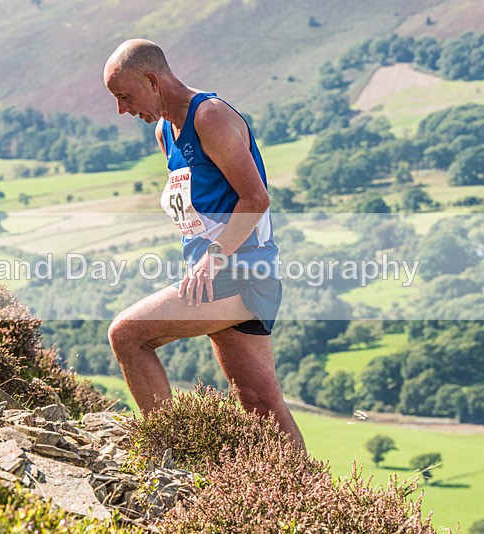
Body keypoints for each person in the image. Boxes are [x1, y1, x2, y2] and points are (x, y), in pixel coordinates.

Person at [103, 38, 305, 450]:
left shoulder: (209, 117)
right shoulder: (165, 131)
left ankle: (169, 458)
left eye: (124, 96)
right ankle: (312, 501)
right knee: (259, 402)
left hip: (242, 272)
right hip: (213, 277)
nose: (122, 110)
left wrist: (211, 261)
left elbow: (256, 199)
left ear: (151, 80)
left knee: (127, 335)